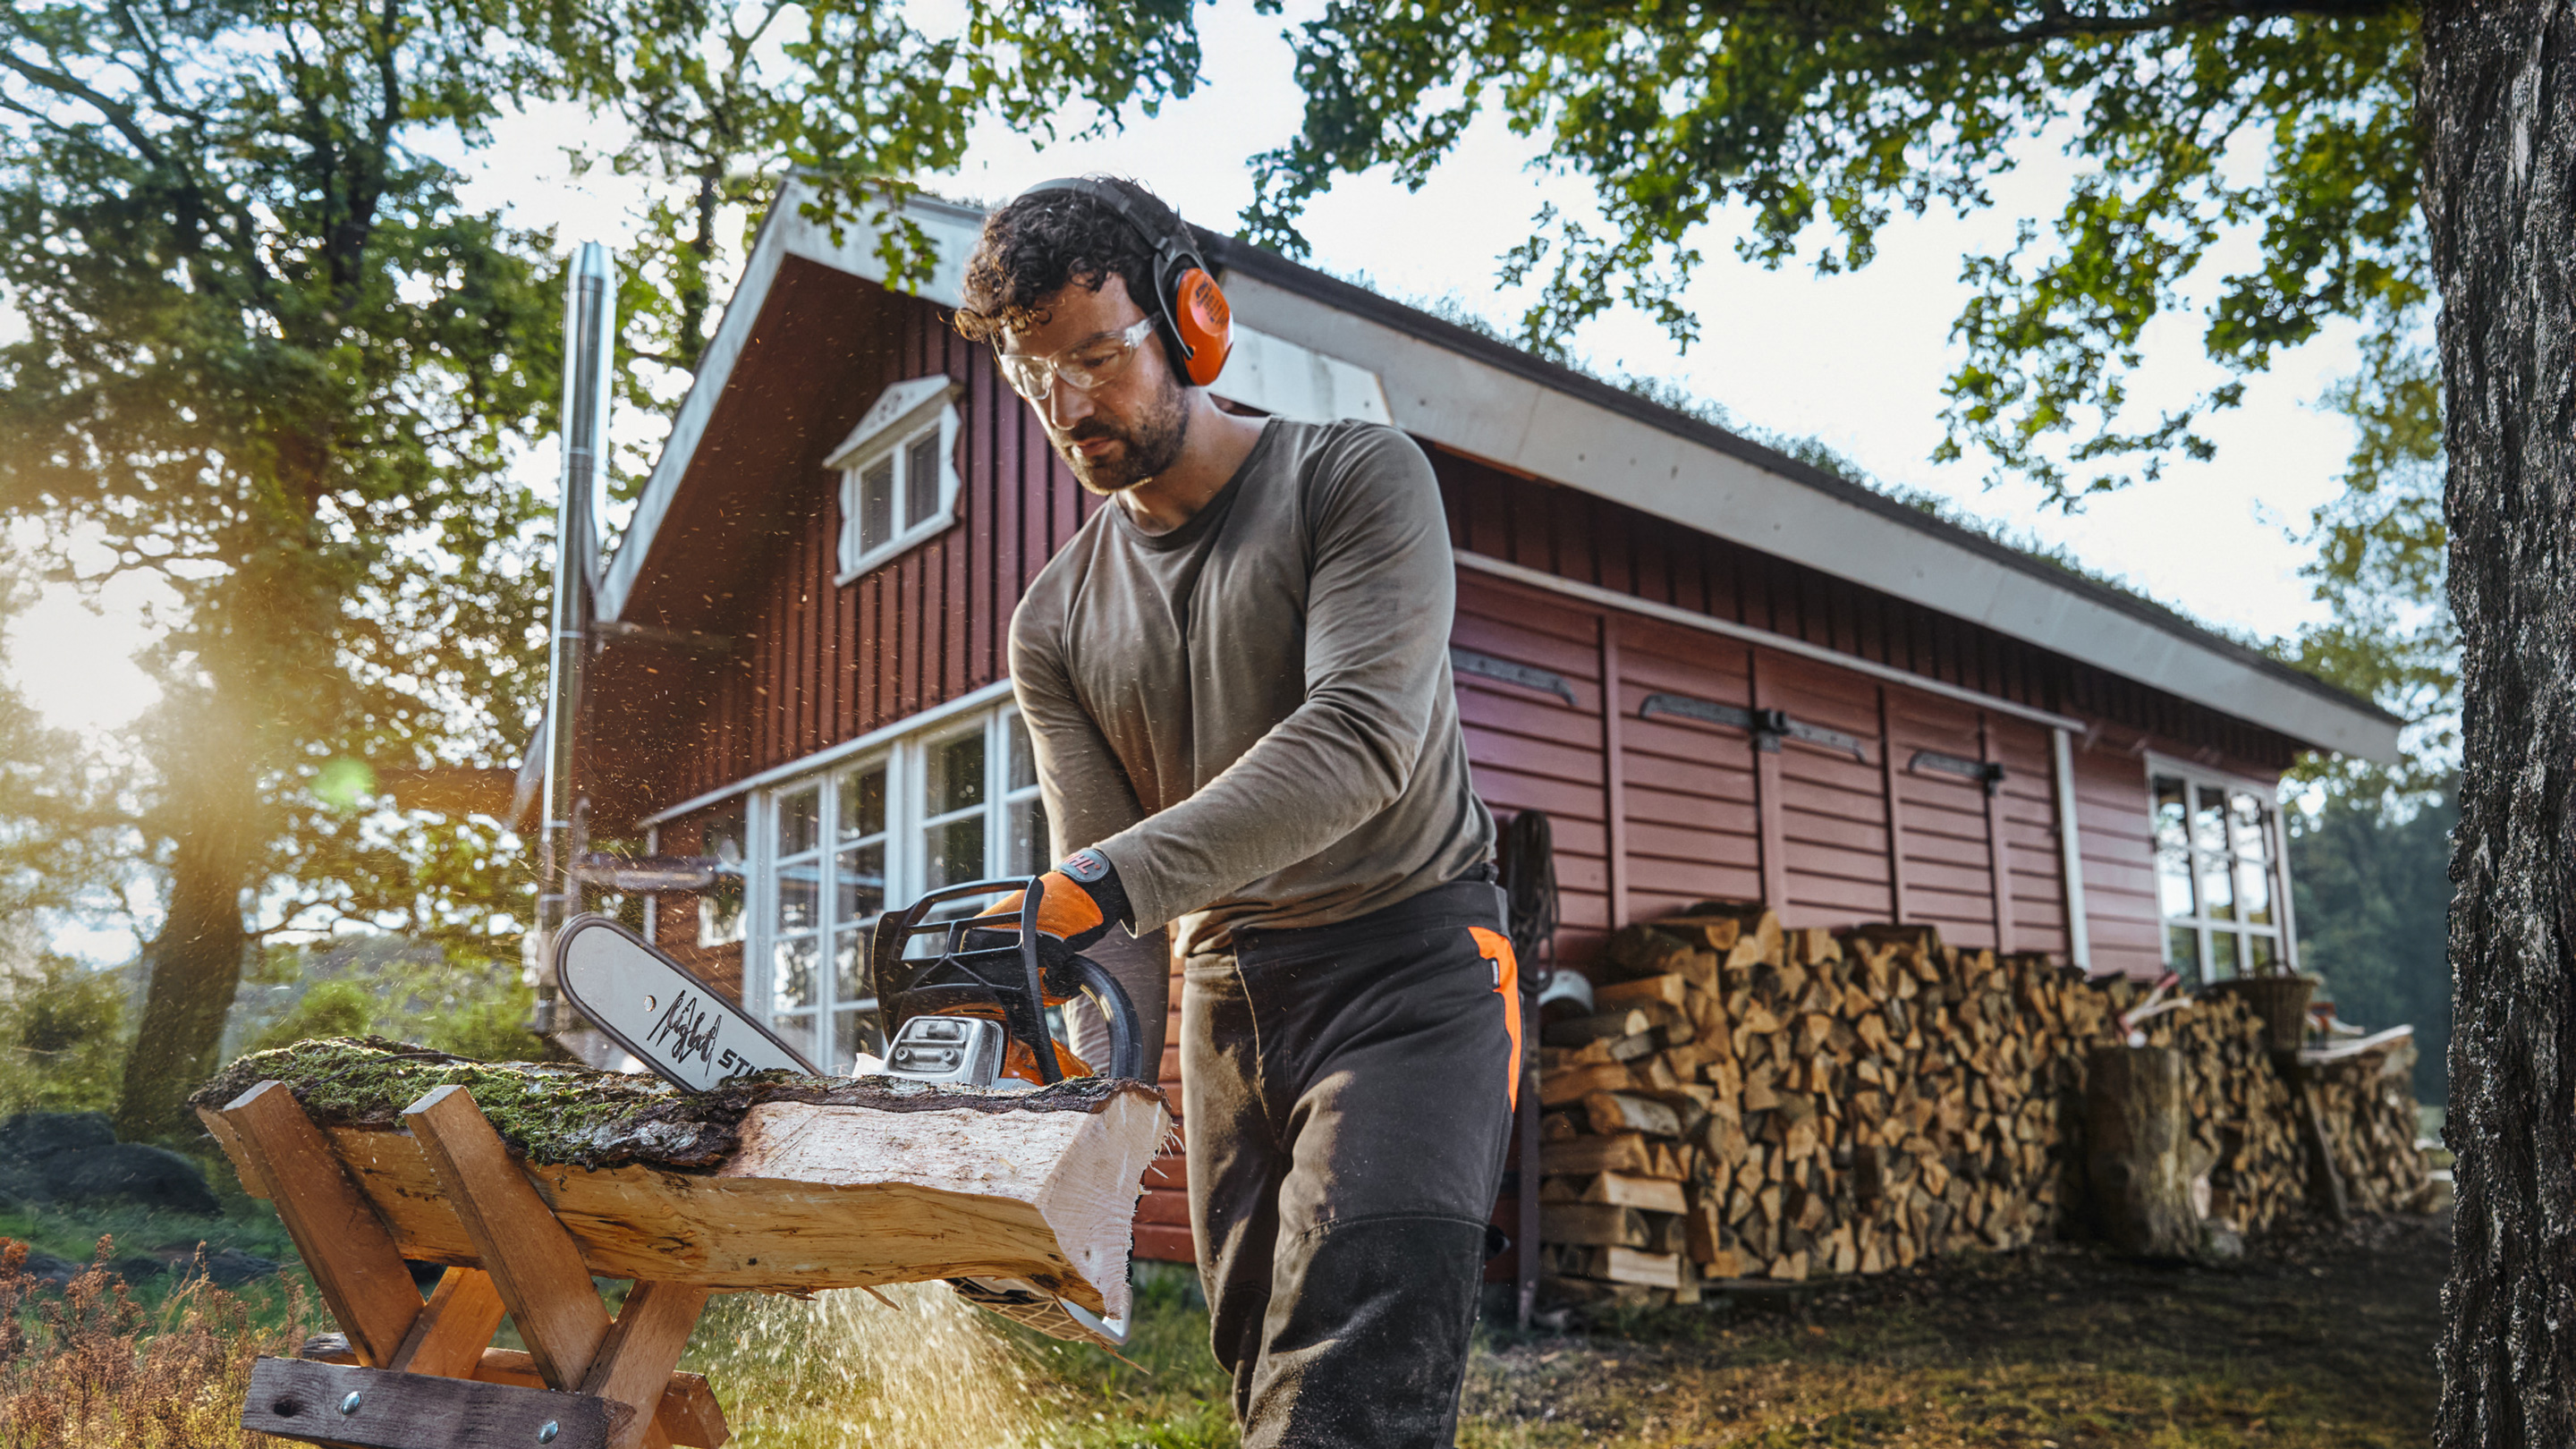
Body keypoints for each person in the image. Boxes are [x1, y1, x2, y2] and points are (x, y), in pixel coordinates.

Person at [948, 175, 1522, 1447]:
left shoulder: (1355, 479)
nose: (1073, 405)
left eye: (1100, 356)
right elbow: (1117, 927)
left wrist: (1094, 883)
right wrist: (1068, 1117)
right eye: (1039, 378)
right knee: (1261, 1366)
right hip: (1226, 1001)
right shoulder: (1052, 619)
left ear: (1192, 319)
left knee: (1352, 1384)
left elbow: (1360, 742)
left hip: (1410, 969)